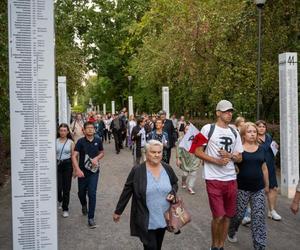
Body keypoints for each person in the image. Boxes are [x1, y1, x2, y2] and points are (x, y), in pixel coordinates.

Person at [195, 100, 243, 250]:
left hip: (231, 179)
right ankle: (214, 246)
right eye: (226, 111)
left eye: (231, 111)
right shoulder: (207, 129)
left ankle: (221, 246)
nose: (229, 114)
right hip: (213, 179)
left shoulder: (235, 131)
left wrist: (230, 156)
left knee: (228, 216)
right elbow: (196, 151)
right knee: (219, 216)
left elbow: (240, 157)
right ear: (218, 113)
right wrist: (216, 160)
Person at [113, 140, 178, 250]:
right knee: (151, 247)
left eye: (159, 152)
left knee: (158, 245)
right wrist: (118, 211)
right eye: (153, 152)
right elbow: (127, 191)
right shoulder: (137, 170)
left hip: (164, 217)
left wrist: (173, 192)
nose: (157, 155)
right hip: (146, 218)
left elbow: (174, 183)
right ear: (146, 153)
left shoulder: (167, 168)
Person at [227, 122, 269, 250]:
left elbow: (264, 168)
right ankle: (232, 231)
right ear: (244, 135)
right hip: (241, 188)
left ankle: (260, 245)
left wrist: (267, 185)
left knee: (258, 218)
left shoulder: (262, 148)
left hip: (258, 189)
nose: (252, 134)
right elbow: (232, 167)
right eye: (249, 132)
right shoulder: (238, 150)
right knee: (238, 215)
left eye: (254, 132)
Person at [72, 121, 104, 228]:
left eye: (92, 128)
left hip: (94, 171)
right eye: (88, 128)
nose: (90, 129)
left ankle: (91, 218)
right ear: (84, 130)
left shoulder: (98, 140)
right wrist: (77, 170)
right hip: (82, 172)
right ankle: (84, 205)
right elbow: (74, 156)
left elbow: (102, 152)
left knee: (92, 193)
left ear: (94, 130)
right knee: (81, 193)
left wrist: (97, 158)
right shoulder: (80, 142)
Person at [256, 120, 281, 221]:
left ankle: (272, 211)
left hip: (270, 166)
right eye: (259, 126)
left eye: (263, 126)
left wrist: (276, 147)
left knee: (273, 188)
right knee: (257, 190)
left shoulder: (269, 137)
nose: (262, 128)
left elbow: (273, 149)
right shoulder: (253, 138)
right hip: (259, 167)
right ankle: (251, 212)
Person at [176, 123, 201, 194]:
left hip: (194, 159)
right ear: (184, 130)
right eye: (186, 129)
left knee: (193, 174)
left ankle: (190, 187)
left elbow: (200, 149)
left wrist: (200, 159)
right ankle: (183, 181)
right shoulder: (181, 139)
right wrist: (178, 159)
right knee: (185, 174)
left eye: (189, 129)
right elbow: (178, 149)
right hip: (185, 159)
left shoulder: (196, 139)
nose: (188, 130)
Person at [56, 123, 75, 218]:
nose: (63, 132)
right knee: (58, 187)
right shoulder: (54, 141)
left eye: (64, 130)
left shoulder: (71, 142)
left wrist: (75, 169)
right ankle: (60, 199)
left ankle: (65, 208)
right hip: (57, 165)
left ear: (67, 132)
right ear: (58, 131)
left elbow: (74, 156)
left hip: (68, 165)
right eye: (61, 130)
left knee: (66, 188)